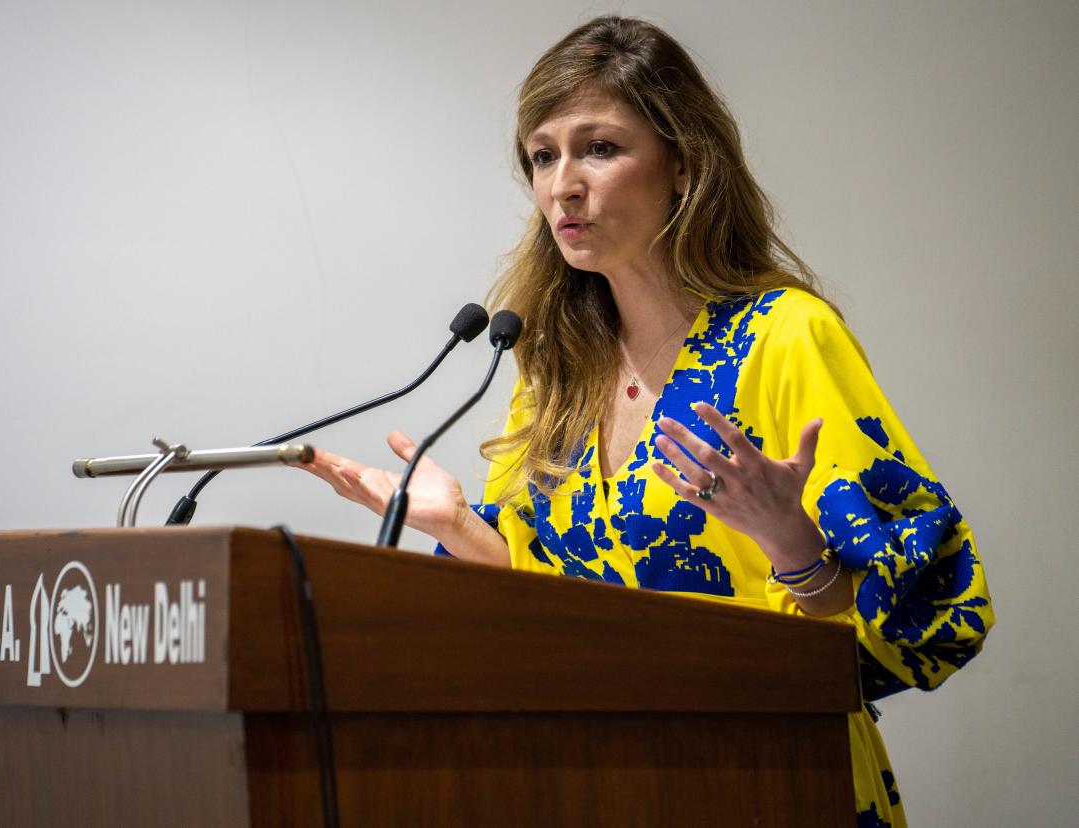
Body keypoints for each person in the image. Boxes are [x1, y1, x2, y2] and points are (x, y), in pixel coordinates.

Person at [299, 15, 993, 826]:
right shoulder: (555, 364)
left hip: (773, 780)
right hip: (600, 781)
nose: (563, 184)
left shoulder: (784, 336)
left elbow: (935, 618)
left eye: (599, 147)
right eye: (542, 154)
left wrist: (793, 544)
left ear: (684, 164)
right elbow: (558, 609)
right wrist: (460, 528)